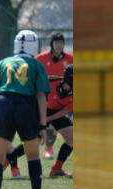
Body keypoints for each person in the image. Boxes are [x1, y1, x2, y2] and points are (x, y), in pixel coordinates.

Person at [0, 30, 49, 189]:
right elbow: (41, 96)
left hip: (3, 104)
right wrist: (43, 126)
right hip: (26, 106)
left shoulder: (3, 63)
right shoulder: (36, 65)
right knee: (33, 157)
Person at [34, 32, 74, 160]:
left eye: (61, 42)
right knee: (36, 136)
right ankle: (11, 159)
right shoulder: (40, 58)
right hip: (42, 98)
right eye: (56, 43)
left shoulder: (71, 59)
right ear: (51, 44)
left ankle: (49, 150)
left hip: (61, 99)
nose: (59, 45)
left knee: (55, 124)